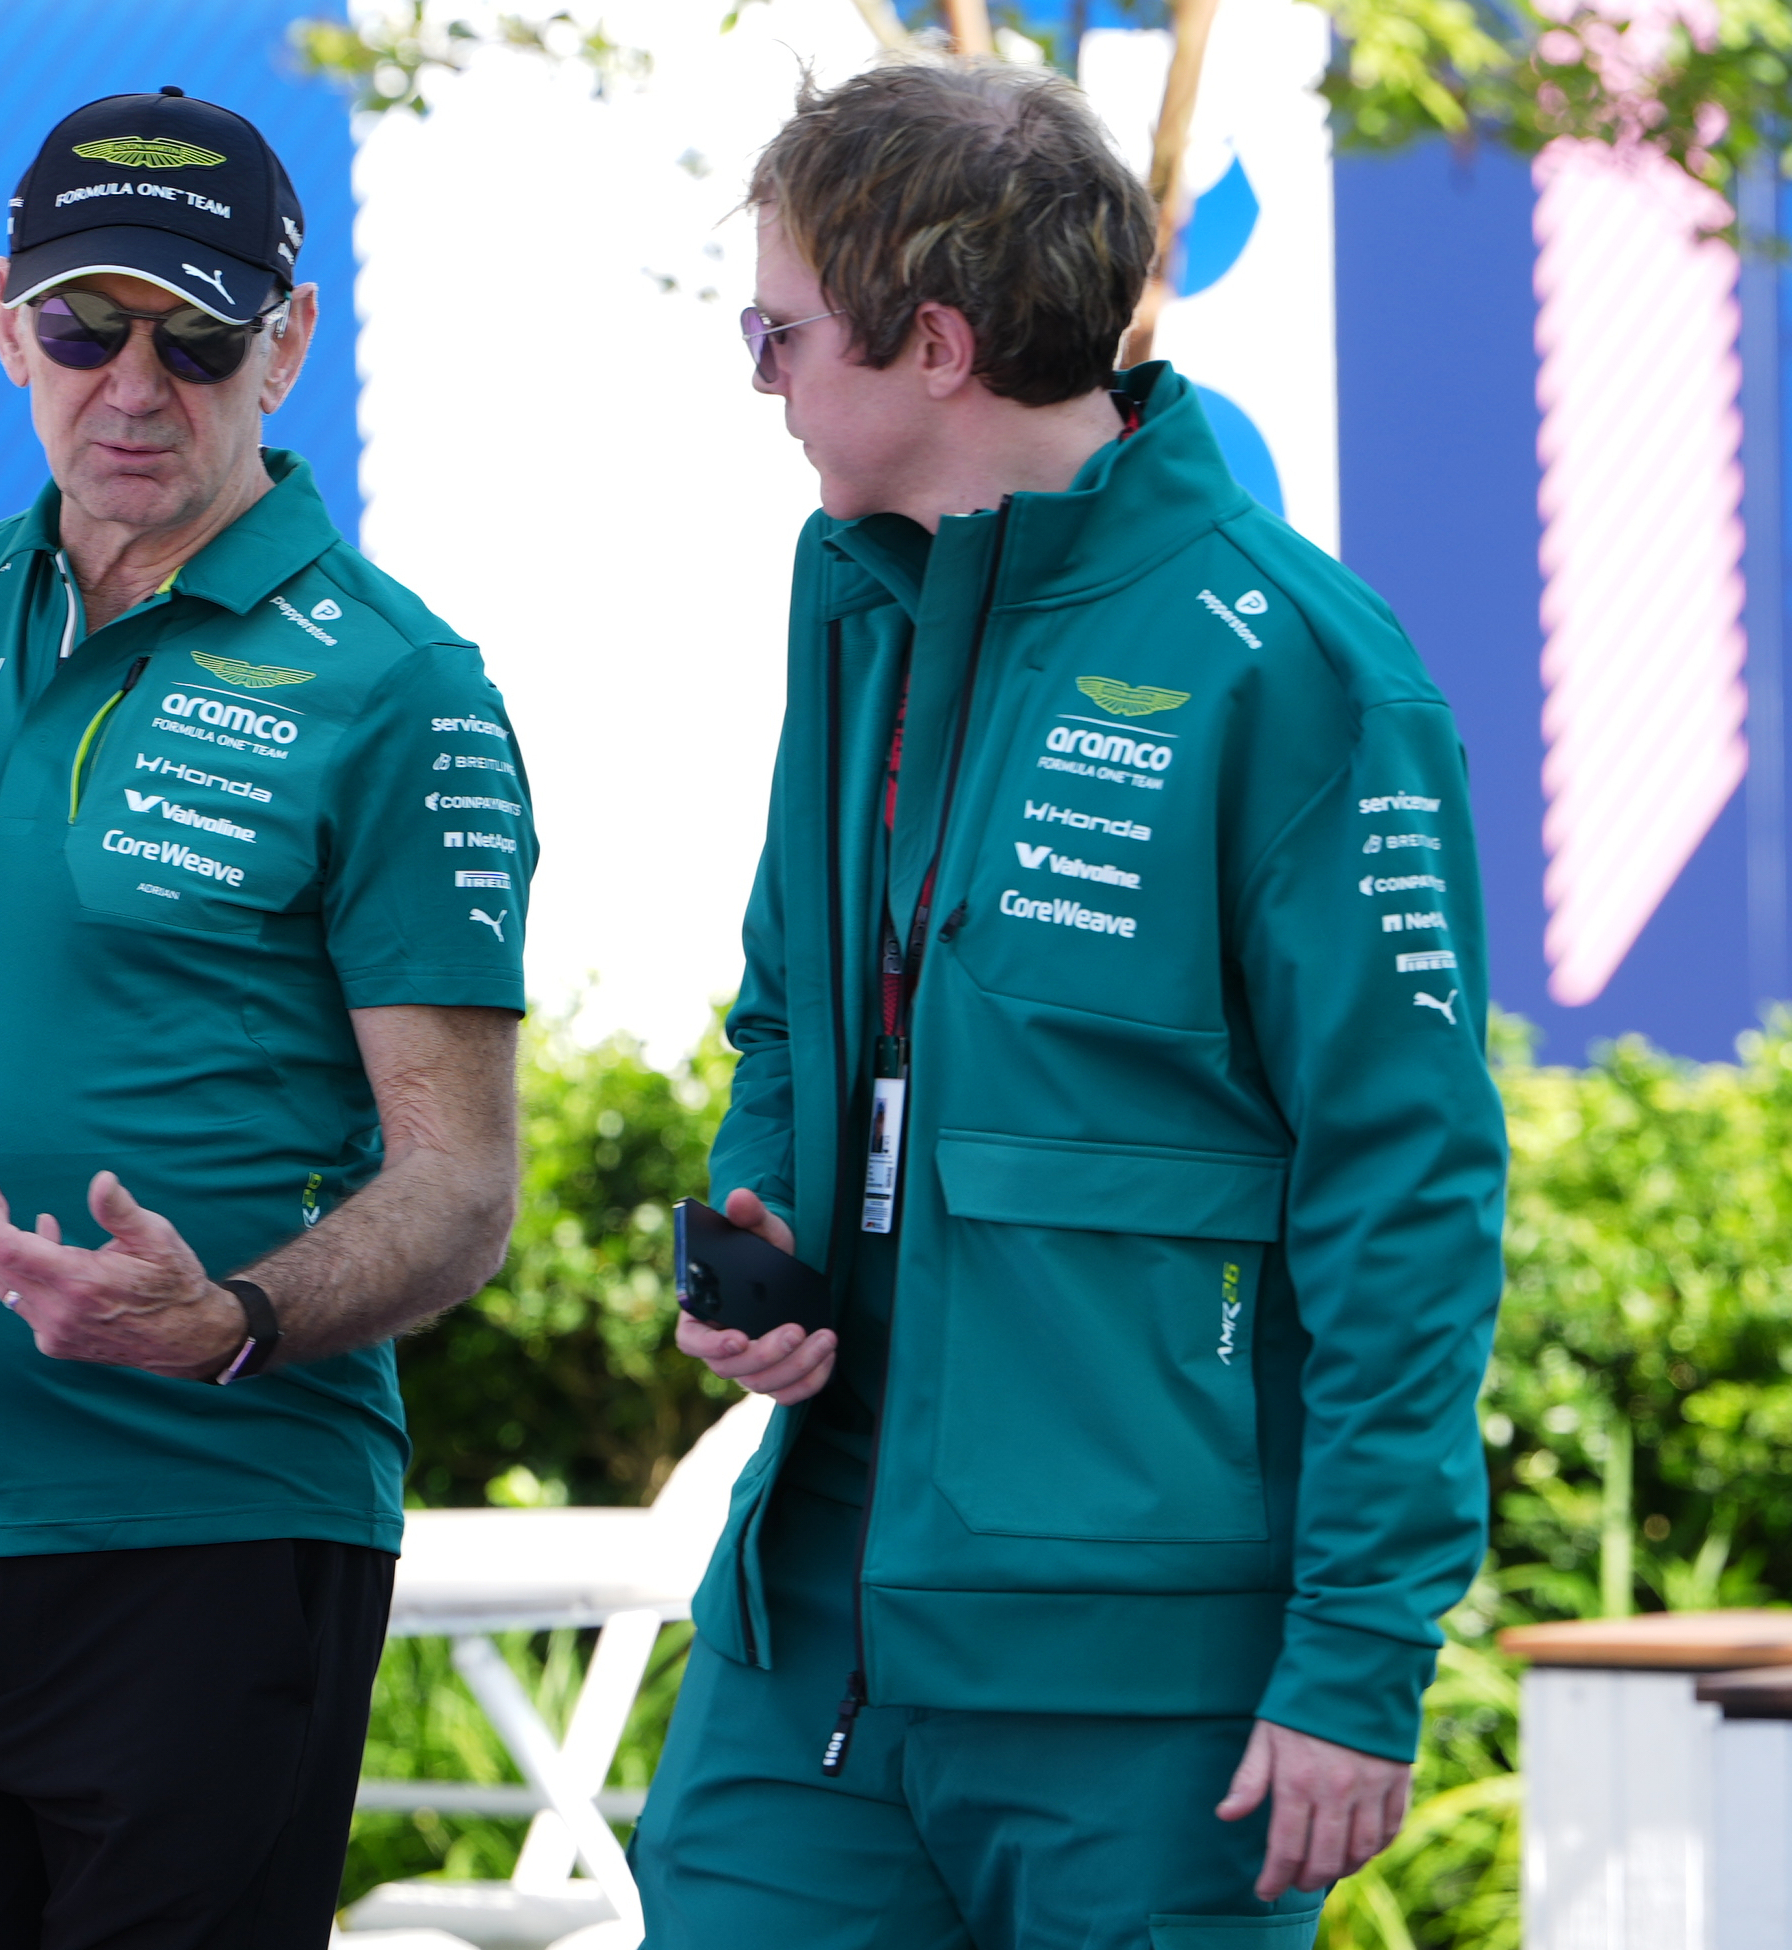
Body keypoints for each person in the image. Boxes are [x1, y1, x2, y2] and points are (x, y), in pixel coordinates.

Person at [632, 59, 1507, 1950]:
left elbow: (1406, 1190)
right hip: (817, 1631)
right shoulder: (850, 594)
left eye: (777, 330)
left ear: (932, 343)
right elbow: (791, 1008)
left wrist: (1355, 1653)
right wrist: (762, 1210)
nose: (762, 376)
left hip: (1148, 1687)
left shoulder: (1306, 673)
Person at [0, 86, 536, 1949]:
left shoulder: (402, 690)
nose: (134, 382)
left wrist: (233, 1319)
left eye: (198, 333)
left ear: (287, 344)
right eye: (86, 324)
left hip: (216, 1550)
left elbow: (463, 1187)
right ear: (8, 322)